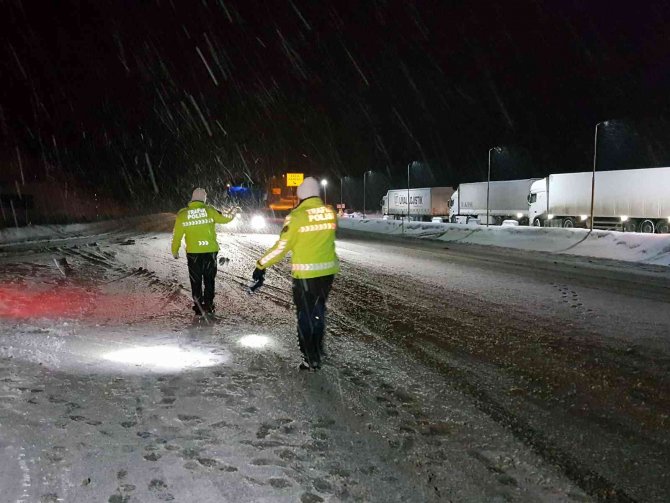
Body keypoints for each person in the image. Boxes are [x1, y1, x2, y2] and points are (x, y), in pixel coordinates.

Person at [252, 177, 339, 371]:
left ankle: (310, 356)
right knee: (318, 312)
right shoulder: (329, 213)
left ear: (300, 195)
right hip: (327, 274)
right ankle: (317, 348)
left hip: (306, 276)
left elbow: (282, 247)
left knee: (305, 316)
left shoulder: (297, 216)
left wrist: (261, 264)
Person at [172, 188, 237, 315]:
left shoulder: (183, 214)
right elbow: (226, 219)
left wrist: (175, 250)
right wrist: (233, 212)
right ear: (204, 198)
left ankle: (198, 307)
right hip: (209, 252)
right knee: (209, 279)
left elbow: (177, 236)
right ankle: (208, 304)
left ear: (192, 198)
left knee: (195, 281)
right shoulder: (210, 211)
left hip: (193, 254)